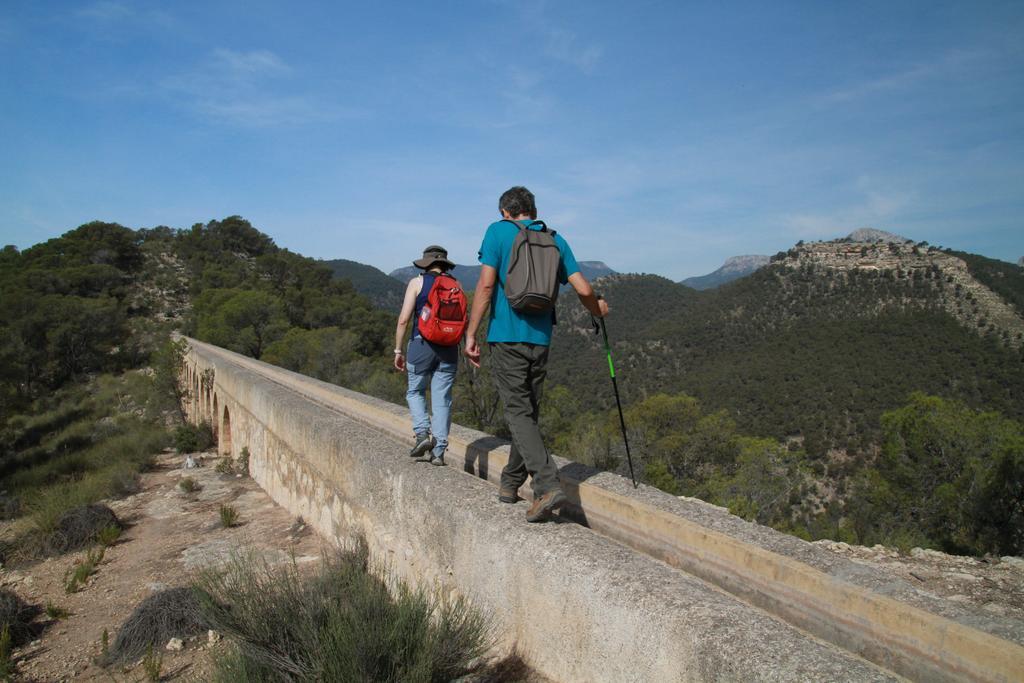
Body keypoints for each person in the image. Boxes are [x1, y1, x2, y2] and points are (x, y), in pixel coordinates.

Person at [464, 186, 609, 522]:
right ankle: (510, 483)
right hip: (540, 340)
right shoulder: (556, 239)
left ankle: (545, 484)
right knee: (527, 412)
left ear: (505, 211)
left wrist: (471, 332)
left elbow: (486, 286)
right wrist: (597, 310)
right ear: (532, 209)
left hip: (506, 336)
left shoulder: (497, 231)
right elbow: (584, 288)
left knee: (517, 412)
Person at [394, 245, 460, 466]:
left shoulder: (417, 282)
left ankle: (422, 435)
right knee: (443, 400)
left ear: (426, 263)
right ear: (444, 264)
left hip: (421, 346)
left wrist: (398, 350)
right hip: (449, 349)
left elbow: (403, 319)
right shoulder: (455, 285)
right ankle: (439, 451)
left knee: (415, 391)